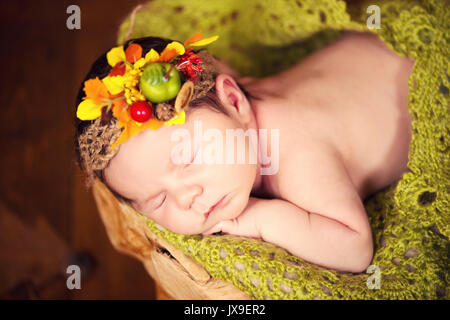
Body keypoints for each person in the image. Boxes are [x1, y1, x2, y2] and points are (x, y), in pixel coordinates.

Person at [75, 30, 414, 273]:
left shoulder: (297, 157)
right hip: (366, 49)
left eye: (188, 157)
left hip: (418, 81)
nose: (186, 197)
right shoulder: (223, 103)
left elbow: (355, 250)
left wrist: (259, 218)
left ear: (234, 100)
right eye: (158, 200)